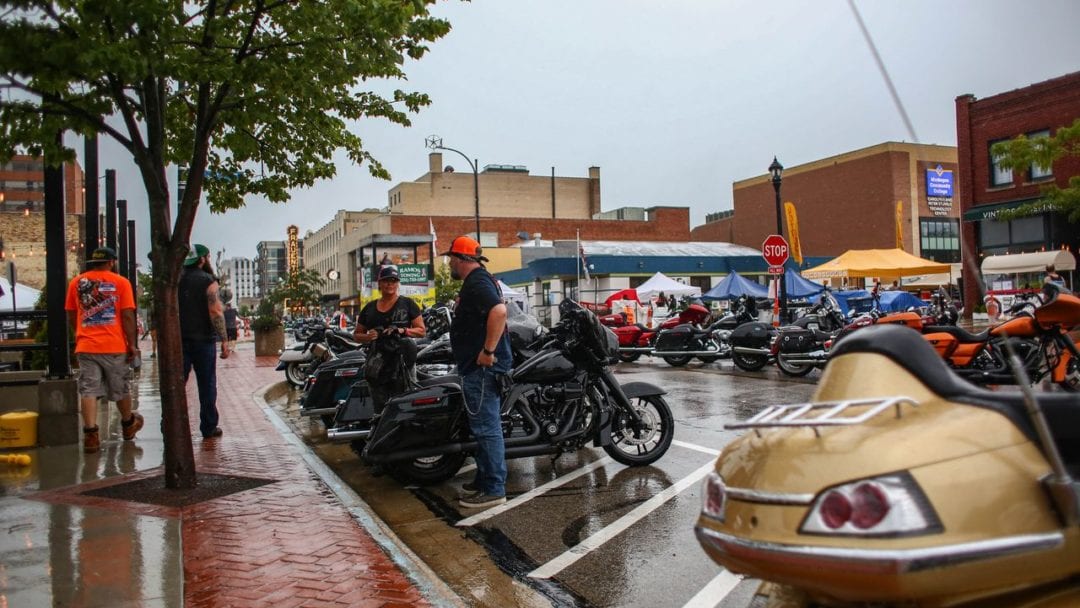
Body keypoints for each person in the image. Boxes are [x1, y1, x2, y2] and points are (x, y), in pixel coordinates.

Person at [442, 236, 511, 509]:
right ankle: (485, 480)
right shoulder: (481, 280)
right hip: (477, 367)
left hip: (482, 368)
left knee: (486, 428)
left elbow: (499, 311)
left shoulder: (478, 282)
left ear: (460, 259)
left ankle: (494, 488)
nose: (449, 264)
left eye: (451, 259)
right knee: (482, 427)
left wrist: (488, 351)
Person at [65, 247, 144, 453]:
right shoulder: (121, 283)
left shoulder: (76, 283)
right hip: (114, 345)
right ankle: (128, 425)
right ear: (112, 262)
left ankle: (91, 435)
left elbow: (72, 314)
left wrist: (80, 333)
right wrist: (132, 344)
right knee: (120, 387)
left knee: (88, 389)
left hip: (86, 345)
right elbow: (127, 315)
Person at [352, 265, 426, 410]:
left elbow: (421, 331)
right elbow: (356, 335)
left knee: (405, 403)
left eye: (393, 281)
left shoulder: (408, 304)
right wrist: (368, 336)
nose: (390, 284)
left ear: (398, 283)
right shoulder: (369, 308)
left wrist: (403, 330)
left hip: (403, 362)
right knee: (380, 406)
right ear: (379, 283)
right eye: (386, 281)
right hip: (377, 362)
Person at [179, 243, 229, 439]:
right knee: (207, 384)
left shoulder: (175, 280)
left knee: (177, 384)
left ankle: (172, 425)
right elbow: (215, 311)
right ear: (202, 259)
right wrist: (224, 339)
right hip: (203, 340)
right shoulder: (208, 281)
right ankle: (208, 426)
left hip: (179, 340)